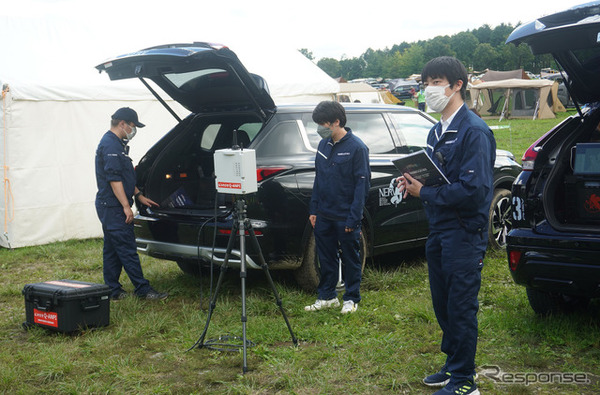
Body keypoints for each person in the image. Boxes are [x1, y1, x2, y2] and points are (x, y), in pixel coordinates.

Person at [398, 57, 495, 395]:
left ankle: (466, 380)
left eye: (437, 81)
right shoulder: (436, 129)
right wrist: (412, 182)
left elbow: (474, 190)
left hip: (464, 233)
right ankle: (453, 364)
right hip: (438, 229)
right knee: (442, 302)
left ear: (458, 85)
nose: (430, 89)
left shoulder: (474, 131)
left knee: (461, 305)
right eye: (427, 82)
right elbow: (435, 176)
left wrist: (426, 191)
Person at [95, 107, 168, 301]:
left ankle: (113, 290)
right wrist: (126, 206)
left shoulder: (117, 144)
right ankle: (143, 290)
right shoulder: (110, 145)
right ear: (122, 124)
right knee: (127, 248)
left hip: (112, 204)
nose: (133, 130)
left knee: (112, 249)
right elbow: (114, 179)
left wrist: (139, 195)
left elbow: (125, 175)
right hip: (113, 205)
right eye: (132, 126)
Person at [304, 101, 370, 314]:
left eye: (323, 124)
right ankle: (327, 296)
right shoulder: (323, 146)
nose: (319, 128)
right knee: (325, 257)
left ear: (336, 122)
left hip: (345, 215)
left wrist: (354, 217)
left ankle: (351, 298)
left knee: (351, 257)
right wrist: (314, 209)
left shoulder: (357, 148)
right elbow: (319, 179)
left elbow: (362, 186)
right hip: (324, 213)